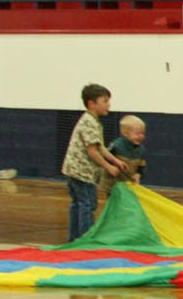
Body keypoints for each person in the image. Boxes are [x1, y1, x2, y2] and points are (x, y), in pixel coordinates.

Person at [60, 83, 128, 241]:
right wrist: (108, 167)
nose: (108, 105)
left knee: (77, 204)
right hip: (82, 173)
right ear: (92, 103)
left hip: (73, 170)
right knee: (87, 205)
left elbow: (100, 147)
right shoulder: (90, 122)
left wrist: (115, 161)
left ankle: (74, 238)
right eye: (104, 101)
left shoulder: (92, 120)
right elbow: (93, 152)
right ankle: (85, 239)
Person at [98, 115, 147, 197]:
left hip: (128, 184)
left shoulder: (141, 150)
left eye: (142, 133)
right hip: (113, 185)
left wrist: (138, 174)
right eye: (137, 133)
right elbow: (104, 158)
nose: (141, 136)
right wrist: (109, 167)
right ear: (125, 134)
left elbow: (141, 165)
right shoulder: (116, 146)